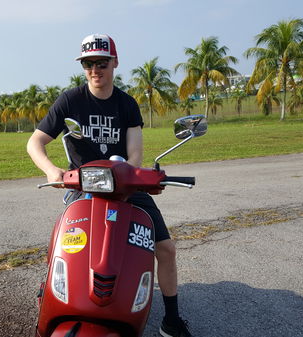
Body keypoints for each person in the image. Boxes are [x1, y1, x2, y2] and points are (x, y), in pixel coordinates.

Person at [26, 33, 192, 337]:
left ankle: (171, 319)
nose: (95, 70)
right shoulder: (70, 100)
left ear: (114, 62)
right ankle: (53, 292)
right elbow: (35, 142)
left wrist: (140, 178)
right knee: (64, 244)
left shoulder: (127, 104)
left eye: (101, 62)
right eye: (88, 64)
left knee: (166, 248)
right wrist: (51, 170)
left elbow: (135, 155)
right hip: (83, 185)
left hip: (124, 185)